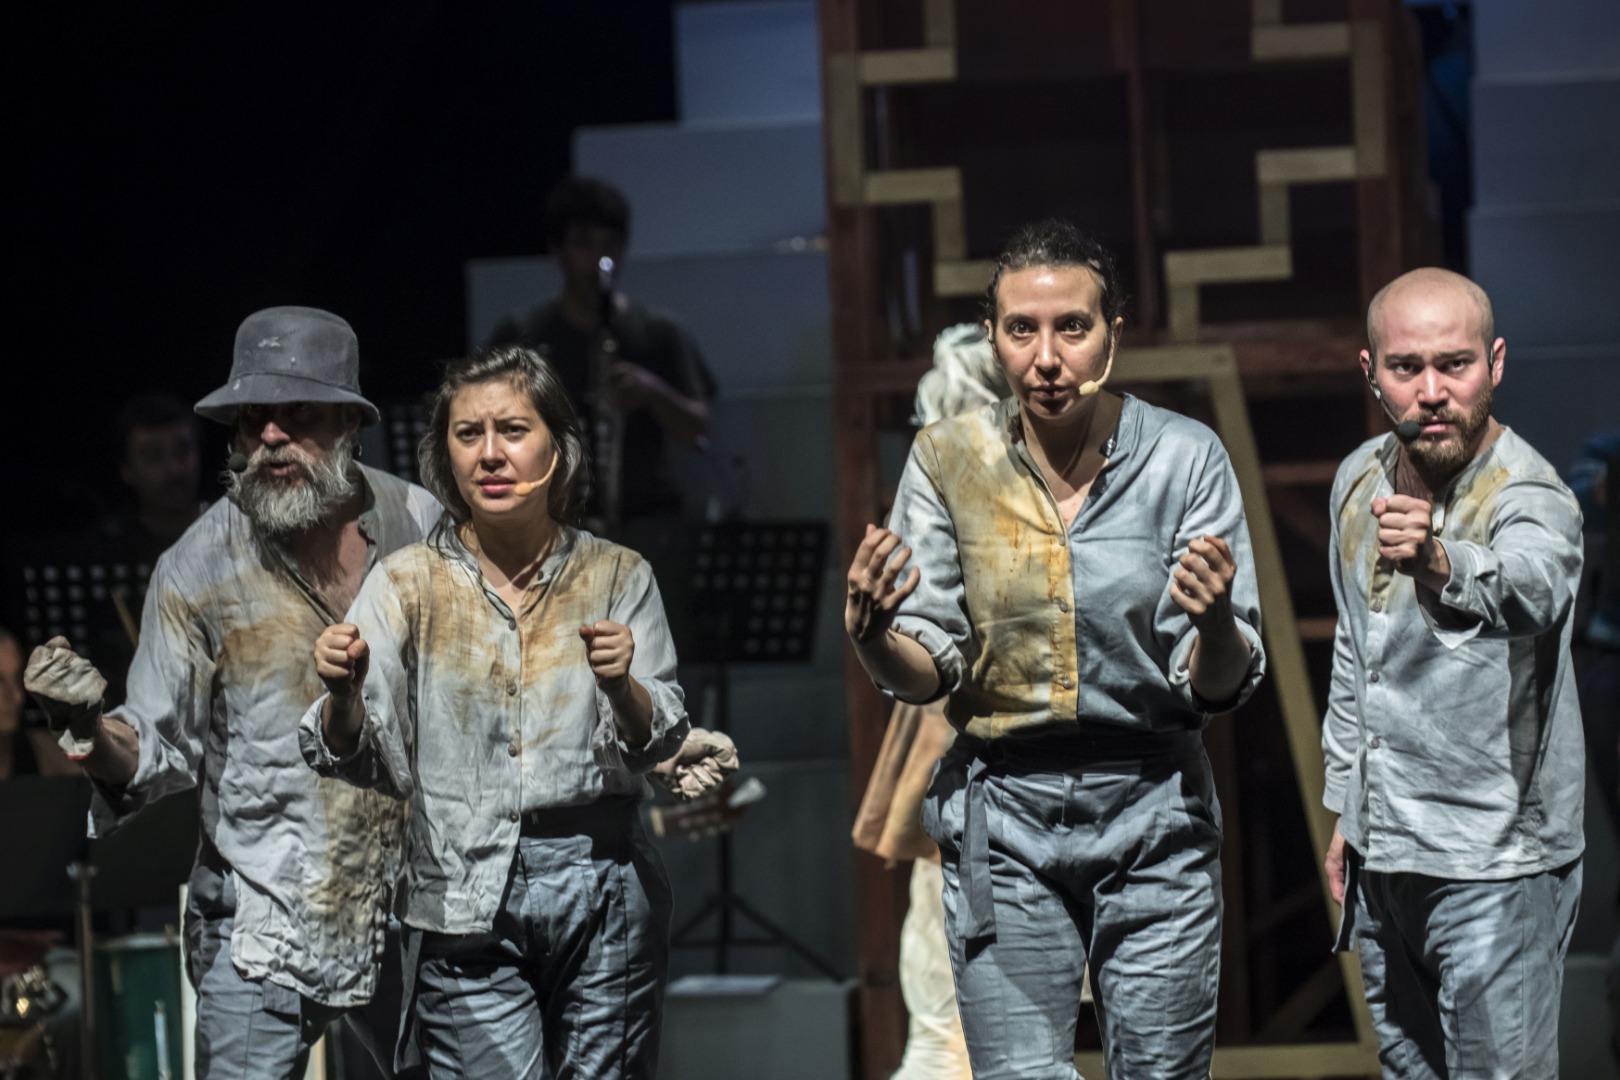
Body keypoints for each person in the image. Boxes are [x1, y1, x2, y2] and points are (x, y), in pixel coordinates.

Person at [844, 220, 1265, 1080]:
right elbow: (928, 666)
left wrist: (1218, 624)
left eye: (1072, 327)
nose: (1046, 357)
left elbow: (1217, 685)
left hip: (1153, 805)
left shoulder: (1183, 457)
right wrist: (874, 637)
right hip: (1004, 813)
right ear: (992, 336)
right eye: (1021, 330)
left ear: (1113, 333)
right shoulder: (950, 458)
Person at [23, 306, 441, 1078]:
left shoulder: (422, 528)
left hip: (408, 900)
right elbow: (150, 749)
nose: (271, 435)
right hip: (262, 912)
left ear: (350, 422)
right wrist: (85, 727)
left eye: (298, 414)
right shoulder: (199, 566)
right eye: (253, 418)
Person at [301, 345, 690, 1078]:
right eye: (467, 434)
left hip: (601, 883)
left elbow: (657, 742)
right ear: (443, 455)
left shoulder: (616, 574)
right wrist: (343, 696)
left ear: (558, 446)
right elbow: (352, 753)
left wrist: (623, 687)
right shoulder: (407, 584)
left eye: (512, 430)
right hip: (460, 892)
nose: (489, 454)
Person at [1321, 268, 1585, 1077]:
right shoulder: (1359, 480)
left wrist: (1438, 561)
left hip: (1493, 866)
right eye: (1407, 368)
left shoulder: (1530, 492)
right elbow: (1357, 651)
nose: (1433, 392)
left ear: (1494, 363)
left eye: (1455, 365)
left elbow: (1533, 587)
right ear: (1371, 372)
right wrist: (1348, 808)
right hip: (1386, 856)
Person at [485, 176, 716, 532]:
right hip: (551, 521)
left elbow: (698, 429)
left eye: (611, 245)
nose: (600, 259)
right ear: (557, 250)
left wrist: (651, 390)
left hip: (648, 520)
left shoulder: (659, 331)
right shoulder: (522, 332)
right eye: (584, 244)